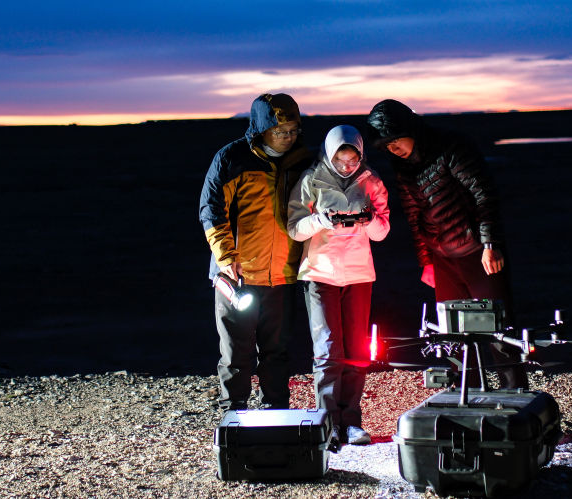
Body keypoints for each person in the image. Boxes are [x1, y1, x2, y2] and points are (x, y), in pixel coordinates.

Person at [365, 99, 528, 390]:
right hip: (443, 259)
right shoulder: (403, 167)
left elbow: (483, 194)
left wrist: (490, 243)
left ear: (409, 128)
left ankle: (515, 397)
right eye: (386, 145)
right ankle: (468, 396)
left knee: (499, 333)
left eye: (395, 140)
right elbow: (415, 217)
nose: (392, 148)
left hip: (478, 254)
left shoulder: (451, 147)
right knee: (454, 336)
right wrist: (427, 262)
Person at [200, 93, 313, 412]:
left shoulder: (303, 161)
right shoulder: (232, 158)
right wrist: (226, 258)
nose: (288, 137)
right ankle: (233, 415)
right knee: (236, 354)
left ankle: (276, 413)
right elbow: (211, 210)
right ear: (262, 129)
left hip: (282, 275)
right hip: (238, 276)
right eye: (281, 131)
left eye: (293, 130)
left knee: (277, 353)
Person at [288, 125, 390, 446]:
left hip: (358, 273)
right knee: (328, 349)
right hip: (320, 273)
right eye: (340, 160)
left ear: (361, 155)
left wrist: (369, 219)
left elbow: (382, 232)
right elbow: (294, 228)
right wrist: (321, 219)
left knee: (357, 350)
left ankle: (352, 422)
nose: (347, 166)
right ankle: (328, 423)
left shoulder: (371, 181)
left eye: (352, 160)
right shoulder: (311, 180)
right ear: (329, 155)